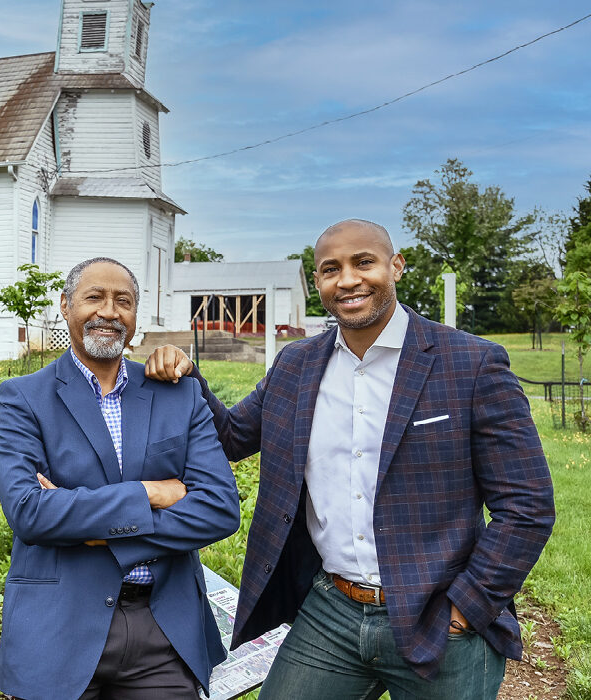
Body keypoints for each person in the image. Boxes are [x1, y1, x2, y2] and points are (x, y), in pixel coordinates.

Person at [144, 219, 556, 699]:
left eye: (364, 262)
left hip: (439, 615)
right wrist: (188, 377)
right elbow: (231, 438)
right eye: (330, 269)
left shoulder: (470, 364)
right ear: (318, 282)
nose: (348, 280)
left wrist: (467, 607)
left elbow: (527, 505)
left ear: (395, 266)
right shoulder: (295, 365)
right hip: (332, 609)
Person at [0, 257, 240, 700]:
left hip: (162, 633)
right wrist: (153, 493)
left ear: (134, 316)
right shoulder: (25, 397)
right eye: (94, 297)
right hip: (58, 625)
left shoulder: (178, 394)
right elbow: (30, 513)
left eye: (122, 301)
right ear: (66, 305)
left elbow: (220, 510)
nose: (109, 311)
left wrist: (93, 526)